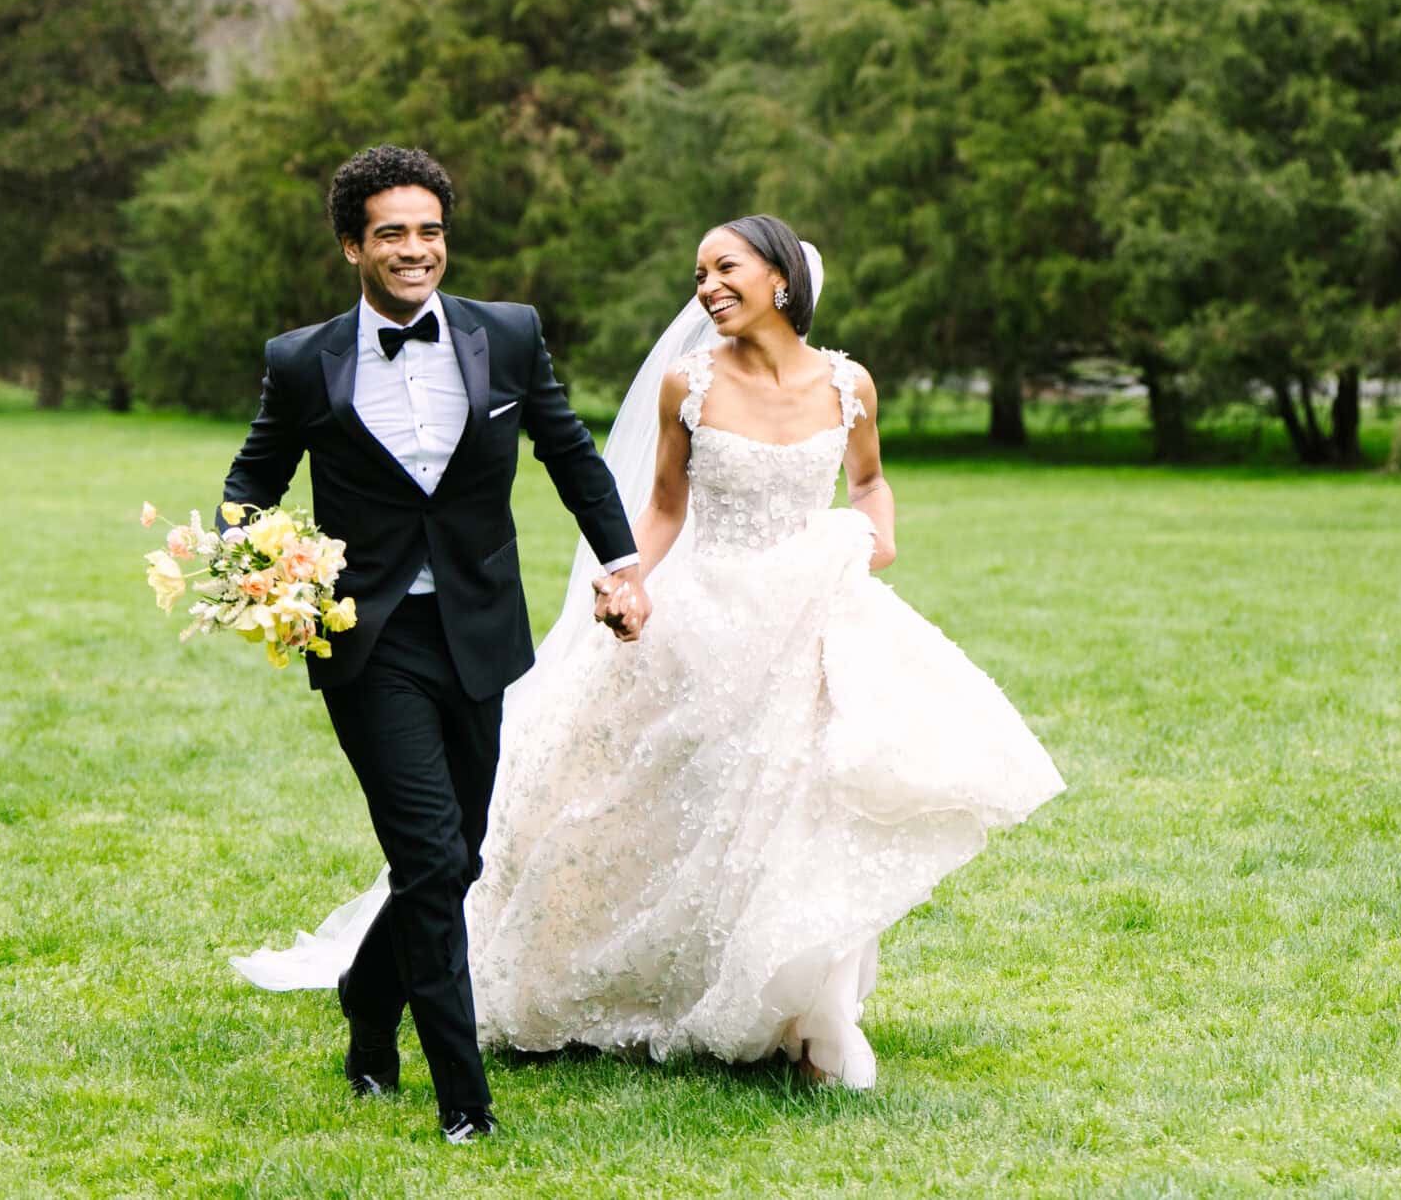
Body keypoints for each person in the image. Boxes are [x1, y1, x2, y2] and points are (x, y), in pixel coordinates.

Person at [236, 213, 1063, 1091]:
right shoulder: (689, 384)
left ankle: (805, 1012)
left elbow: (869, 481)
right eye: (700, 274)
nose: (706, 288)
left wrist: (874, 535)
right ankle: (617, 988)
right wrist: (626, 576)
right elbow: (663, 506)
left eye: (724, 269)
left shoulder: (850, 385)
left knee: (806, 805)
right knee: (643, 802)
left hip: (813, 609)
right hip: (704, 610)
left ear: (781, 276)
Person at [215, 144, 651, 1146]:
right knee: (426, 854)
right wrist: (261, 569)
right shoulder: (302, 360)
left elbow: (569, 451)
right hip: (367, 643)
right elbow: (252, 485)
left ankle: (368, 1001)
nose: (416, 251)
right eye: (392, 234)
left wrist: (622, 564)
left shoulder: (507, 336)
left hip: (479, 631)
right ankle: (465, 1103)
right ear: (351, 248)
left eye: (430, 231)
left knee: (453, 861)